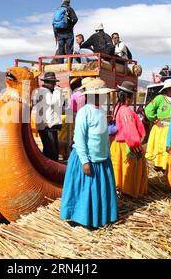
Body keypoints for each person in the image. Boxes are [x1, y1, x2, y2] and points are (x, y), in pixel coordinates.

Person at [60, 79, 118, 228]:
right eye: (99, 95)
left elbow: (104, 136)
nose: (102, 97)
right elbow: (78, 138)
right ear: (91, 96)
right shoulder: (84, 112)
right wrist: (85, 161)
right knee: (84, 190)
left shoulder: (101, 111)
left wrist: (108, 155)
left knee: (98, 192)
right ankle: (79, 218)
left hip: (101, 159)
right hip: (85, 159)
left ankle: (97, 217)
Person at [110, 81, 148, 198]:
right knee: (130, 170)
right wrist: (136, 146)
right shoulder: (126, 111)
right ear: (128, 97)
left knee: (119, 168)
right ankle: (129, 192)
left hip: (117, 143)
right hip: (126, 144)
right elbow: (129, 130)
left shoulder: (117, 107)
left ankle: (120, 189)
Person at [145, 79, 171, 171]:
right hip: (163, 127)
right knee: (162, 146)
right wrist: (155, 120)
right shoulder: (160, 98)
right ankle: (161, 165)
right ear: (168, 89)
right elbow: (148, 109)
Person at [32, 72, 64, 161]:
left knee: (50, 149)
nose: (54, 85)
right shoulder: (43, 91)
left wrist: (57, 92)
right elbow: (52, 102)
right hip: (47, 125)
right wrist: (58, 91)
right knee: (51, 150)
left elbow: (60, 104)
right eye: (53, 83)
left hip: (49, 124)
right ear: (47, 82)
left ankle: (48, 167)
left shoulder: (48, 91)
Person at [53, 0, 78, 64]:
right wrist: (71, 26)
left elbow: (53, 23)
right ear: (69, 2)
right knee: (69, 48)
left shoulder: (58, 9)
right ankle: (69, 64)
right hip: (68, 32)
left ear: (62, 1)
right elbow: (75, 19)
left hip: (59, 33)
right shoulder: (69, 9)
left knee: (60, 49)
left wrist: (55, 34)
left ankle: (60, 64)